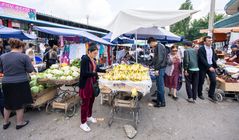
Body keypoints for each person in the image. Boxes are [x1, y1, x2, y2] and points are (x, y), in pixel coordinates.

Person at [0, 38, 35, 130]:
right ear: (21, 47)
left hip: (6, 82)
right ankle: (19, 123)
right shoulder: (24, 57)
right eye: (23, 47)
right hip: (20, 82)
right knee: (19, 103)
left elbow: (1, 70)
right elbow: (30, 70)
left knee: (7, 103)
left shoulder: (2, 56)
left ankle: (5, 123)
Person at [79, 43, 103, 132]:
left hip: (92, 84)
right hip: (85, 85)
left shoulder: (93, 59)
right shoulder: (85, 59)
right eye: (94, 53)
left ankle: (89, 116)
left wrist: (105, 70)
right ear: (89, 52)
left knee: (91, 101)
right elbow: (84, 73)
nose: (95, 55)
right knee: (85, 103)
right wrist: (94, 73)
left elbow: (96, 69)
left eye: (96, 53)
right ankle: (83, 123)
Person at [148, 37, 168, 107]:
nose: (150, 46)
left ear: (152, 42)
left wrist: (156, 69)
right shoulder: (159, 46)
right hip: (160, 68)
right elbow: (155, 58)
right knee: (158, 85)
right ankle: (159, 99)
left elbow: (159, 59)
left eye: (150, 44)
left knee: (160, 85)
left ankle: (161, 102)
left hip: (160, 68)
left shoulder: (159, 46)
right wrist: (149, 64)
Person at [198, 36, 218, 102]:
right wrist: (209, 67)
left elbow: (214, 57)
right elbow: (202, 59)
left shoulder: (212, 48)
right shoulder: (201, 49)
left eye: (211, 40)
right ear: (205, 42)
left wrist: (215, 65)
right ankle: (199, 93)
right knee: (201, 81)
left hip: (211, 66)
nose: (210, 42)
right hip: (203, 67)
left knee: (214, 80)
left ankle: (211, 95)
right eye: (209, 41)